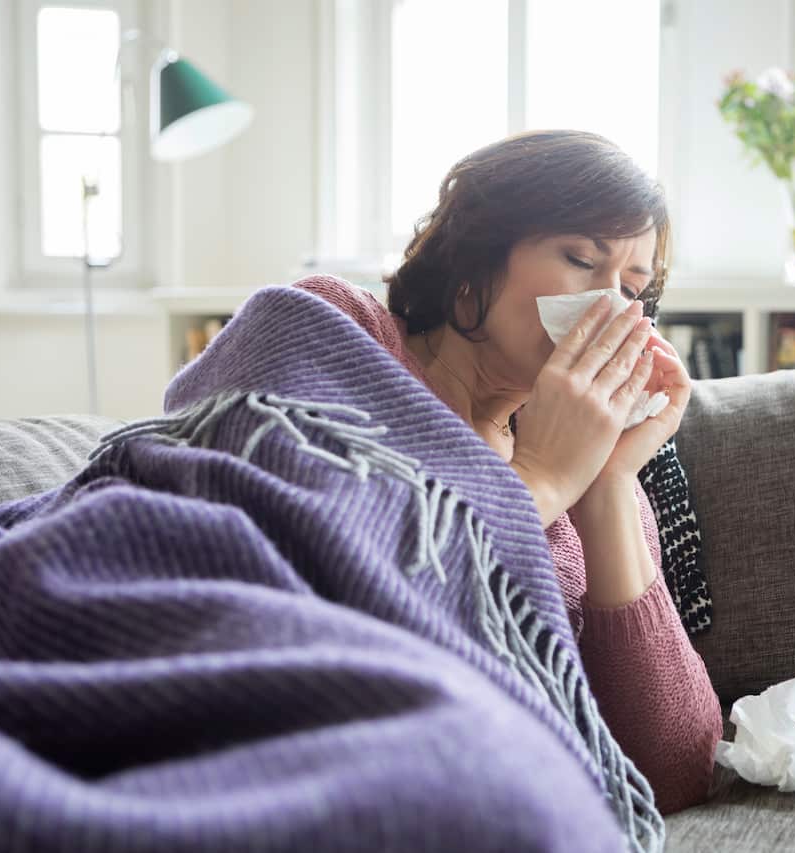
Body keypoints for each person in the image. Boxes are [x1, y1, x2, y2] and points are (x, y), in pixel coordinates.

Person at [293, 129, 722, 815]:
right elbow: (327, 591)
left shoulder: (599, 478)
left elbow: (675, 771)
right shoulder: (339, 328)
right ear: (477, 258)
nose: (613, 306)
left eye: (635, 289)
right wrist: (542, 477)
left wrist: (605, 484)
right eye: (583, 258)